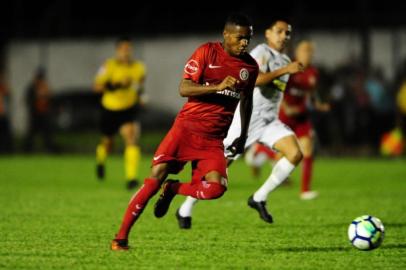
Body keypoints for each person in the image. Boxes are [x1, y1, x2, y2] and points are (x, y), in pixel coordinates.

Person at [111, 13, 259, 250]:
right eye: (240, 38)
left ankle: (173, 188)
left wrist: (243, 136)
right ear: (226, 34)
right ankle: (121, 238)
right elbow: (184, 88)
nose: (245, 43)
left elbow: (247, 100)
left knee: (216, 188)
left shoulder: (250, 67)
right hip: (185, 130)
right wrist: (218, 86)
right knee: (153, 178)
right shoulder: (206, 52)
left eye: (248, 38)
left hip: (213, 139)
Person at [176, 19, 304, 229]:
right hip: (245, 120)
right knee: (218, 170)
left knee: (295, 153)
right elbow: (253, 80)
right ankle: (185, 207)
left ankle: (259, 197)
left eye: (287, 33)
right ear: (268, 33)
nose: (283, 36)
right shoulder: (262, 52)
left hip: (269, 121)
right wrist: (285, 70)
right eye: (279, 31)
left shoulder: (285, 60)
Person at [247, 40, 330, 200]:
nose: (307, 55)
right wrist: (285, 107)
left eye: (310, 52)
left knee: (307, 150)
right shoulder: (289, 67)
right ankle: (259, 151)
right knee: (283, 155)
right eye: (304, 51)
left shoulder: (312, 72)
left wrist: (318, 104)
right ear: (297, 53)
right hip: (284, 116)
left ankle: (305, 190)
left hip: (301, 117)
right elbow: (277, 87)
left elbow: (310, 93)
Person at [93, 37, 147, 190]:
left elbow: (139, 86)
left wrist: (141, 97)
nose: (126, 52)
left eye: (128, 49)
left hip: (128, 109)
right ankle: (101, 159)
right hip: (109, 109)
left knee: (131, 137)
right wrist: (116, 85)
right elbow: (96, 87)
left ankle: (131, 178)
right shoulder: (109, 65)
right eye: (123, 49)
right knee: (108, 143)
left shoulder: (139, 67)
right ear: (117, 50)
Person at [23, 67, 57, 153]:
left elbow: (51, 100)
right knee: (31, 134)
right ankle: (28, 150)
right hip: (35, 115)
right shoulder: (32, 87)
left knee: (47, 134)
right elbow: (28, 100)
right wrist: (37, 97)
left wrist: (47, 97)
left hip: (44, 115)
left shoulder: (45, 87)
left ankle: (49, 150)